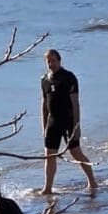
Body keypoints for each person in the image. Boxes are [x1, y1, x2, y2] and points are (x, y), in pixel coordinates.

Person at [39, 49, 97, 195]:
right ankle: (47, 188)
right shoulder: (44, 80)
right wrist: (44, 125)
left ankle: (92, 181)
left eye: (53, 61)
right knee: (49, 155)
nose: (51, 64)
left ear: (59, 60)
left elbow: (75, 103)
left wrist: (77, 126)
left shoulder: (69, 77)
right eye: (48, 61)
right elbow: (44, 104)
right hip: (53, 122)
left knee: (76, 152)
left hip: (68, 121)